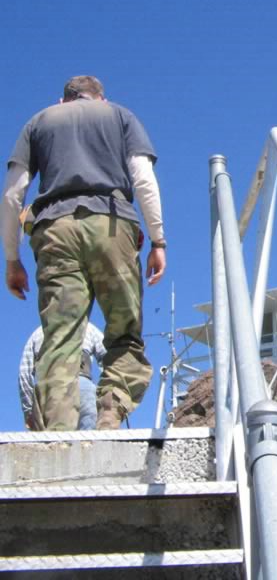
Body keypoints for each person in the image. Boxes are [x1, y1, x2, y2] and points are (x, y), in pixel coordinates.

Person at [1, 76, 167, 430]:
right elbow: (143, 178)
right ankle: (109, 417)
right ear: (100, 99)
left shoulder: (39, 121)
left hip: (54, 229)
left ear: (62, 101)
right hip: (112, 224)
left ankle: (58, 434)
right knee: (124, 332)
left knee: (60, 337)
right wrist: (158, 241)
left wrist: (12, 259)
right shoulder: (119, 116)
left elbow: (14, 195)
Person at [19, 323, 106, 431]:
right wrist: (106, 394)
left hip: (49, 390)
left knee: (54, 442)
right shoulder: (86, 327)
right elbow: (108, 358)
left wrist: (29, 410)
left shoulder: (39, 332)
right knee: (89, 441)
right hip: (82, 386)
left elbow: (24, 373)